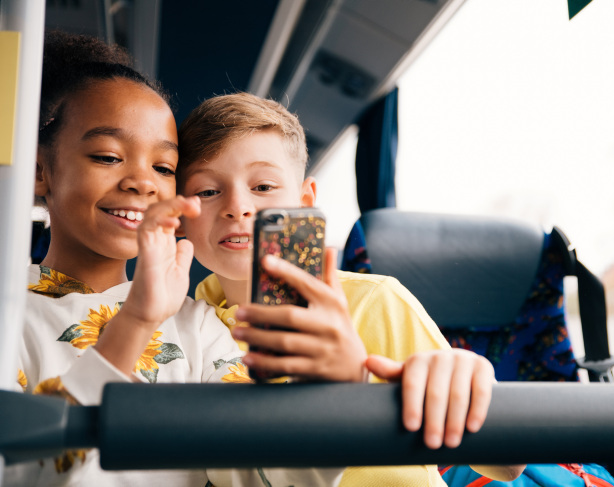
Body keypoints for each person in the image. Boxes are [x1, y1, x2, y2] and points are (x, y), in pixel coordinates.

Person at [6, 30, 345, 486]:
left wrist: (337, 387)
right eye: (108, 156)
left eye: (164, 168)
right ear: (39, 172)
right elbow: (21, 470)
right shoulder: (10, 313)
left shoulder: (200, 327)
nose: (142, 182)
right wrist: (134, 324)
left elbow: (265, 474)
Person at [176, 92, 526, 485]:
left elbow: (507, 466)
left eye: (263, 186)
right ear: (179, 216)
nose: (237, 206)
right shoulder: (183, 327)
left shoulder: (377, 301)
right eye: (208, 191)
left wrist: (465, 384)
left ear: (305, 203)